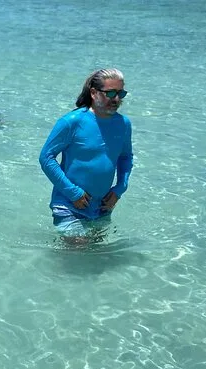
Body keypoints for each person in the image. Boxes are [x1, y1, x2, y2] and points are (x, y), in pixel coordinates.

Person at [38, 68, 133, 240]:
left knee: (96, 254)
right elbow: (46, 158)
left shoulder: (123, 124)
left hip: (103, 206)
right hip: (69, 204)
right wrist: (73, 192)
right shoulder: (72, 121)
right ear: (94, 93)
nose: (116, 99)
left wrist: (120, 189)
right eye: (111, 93)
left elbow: (126, 157)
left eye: (121, 93)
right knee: (77, 249)